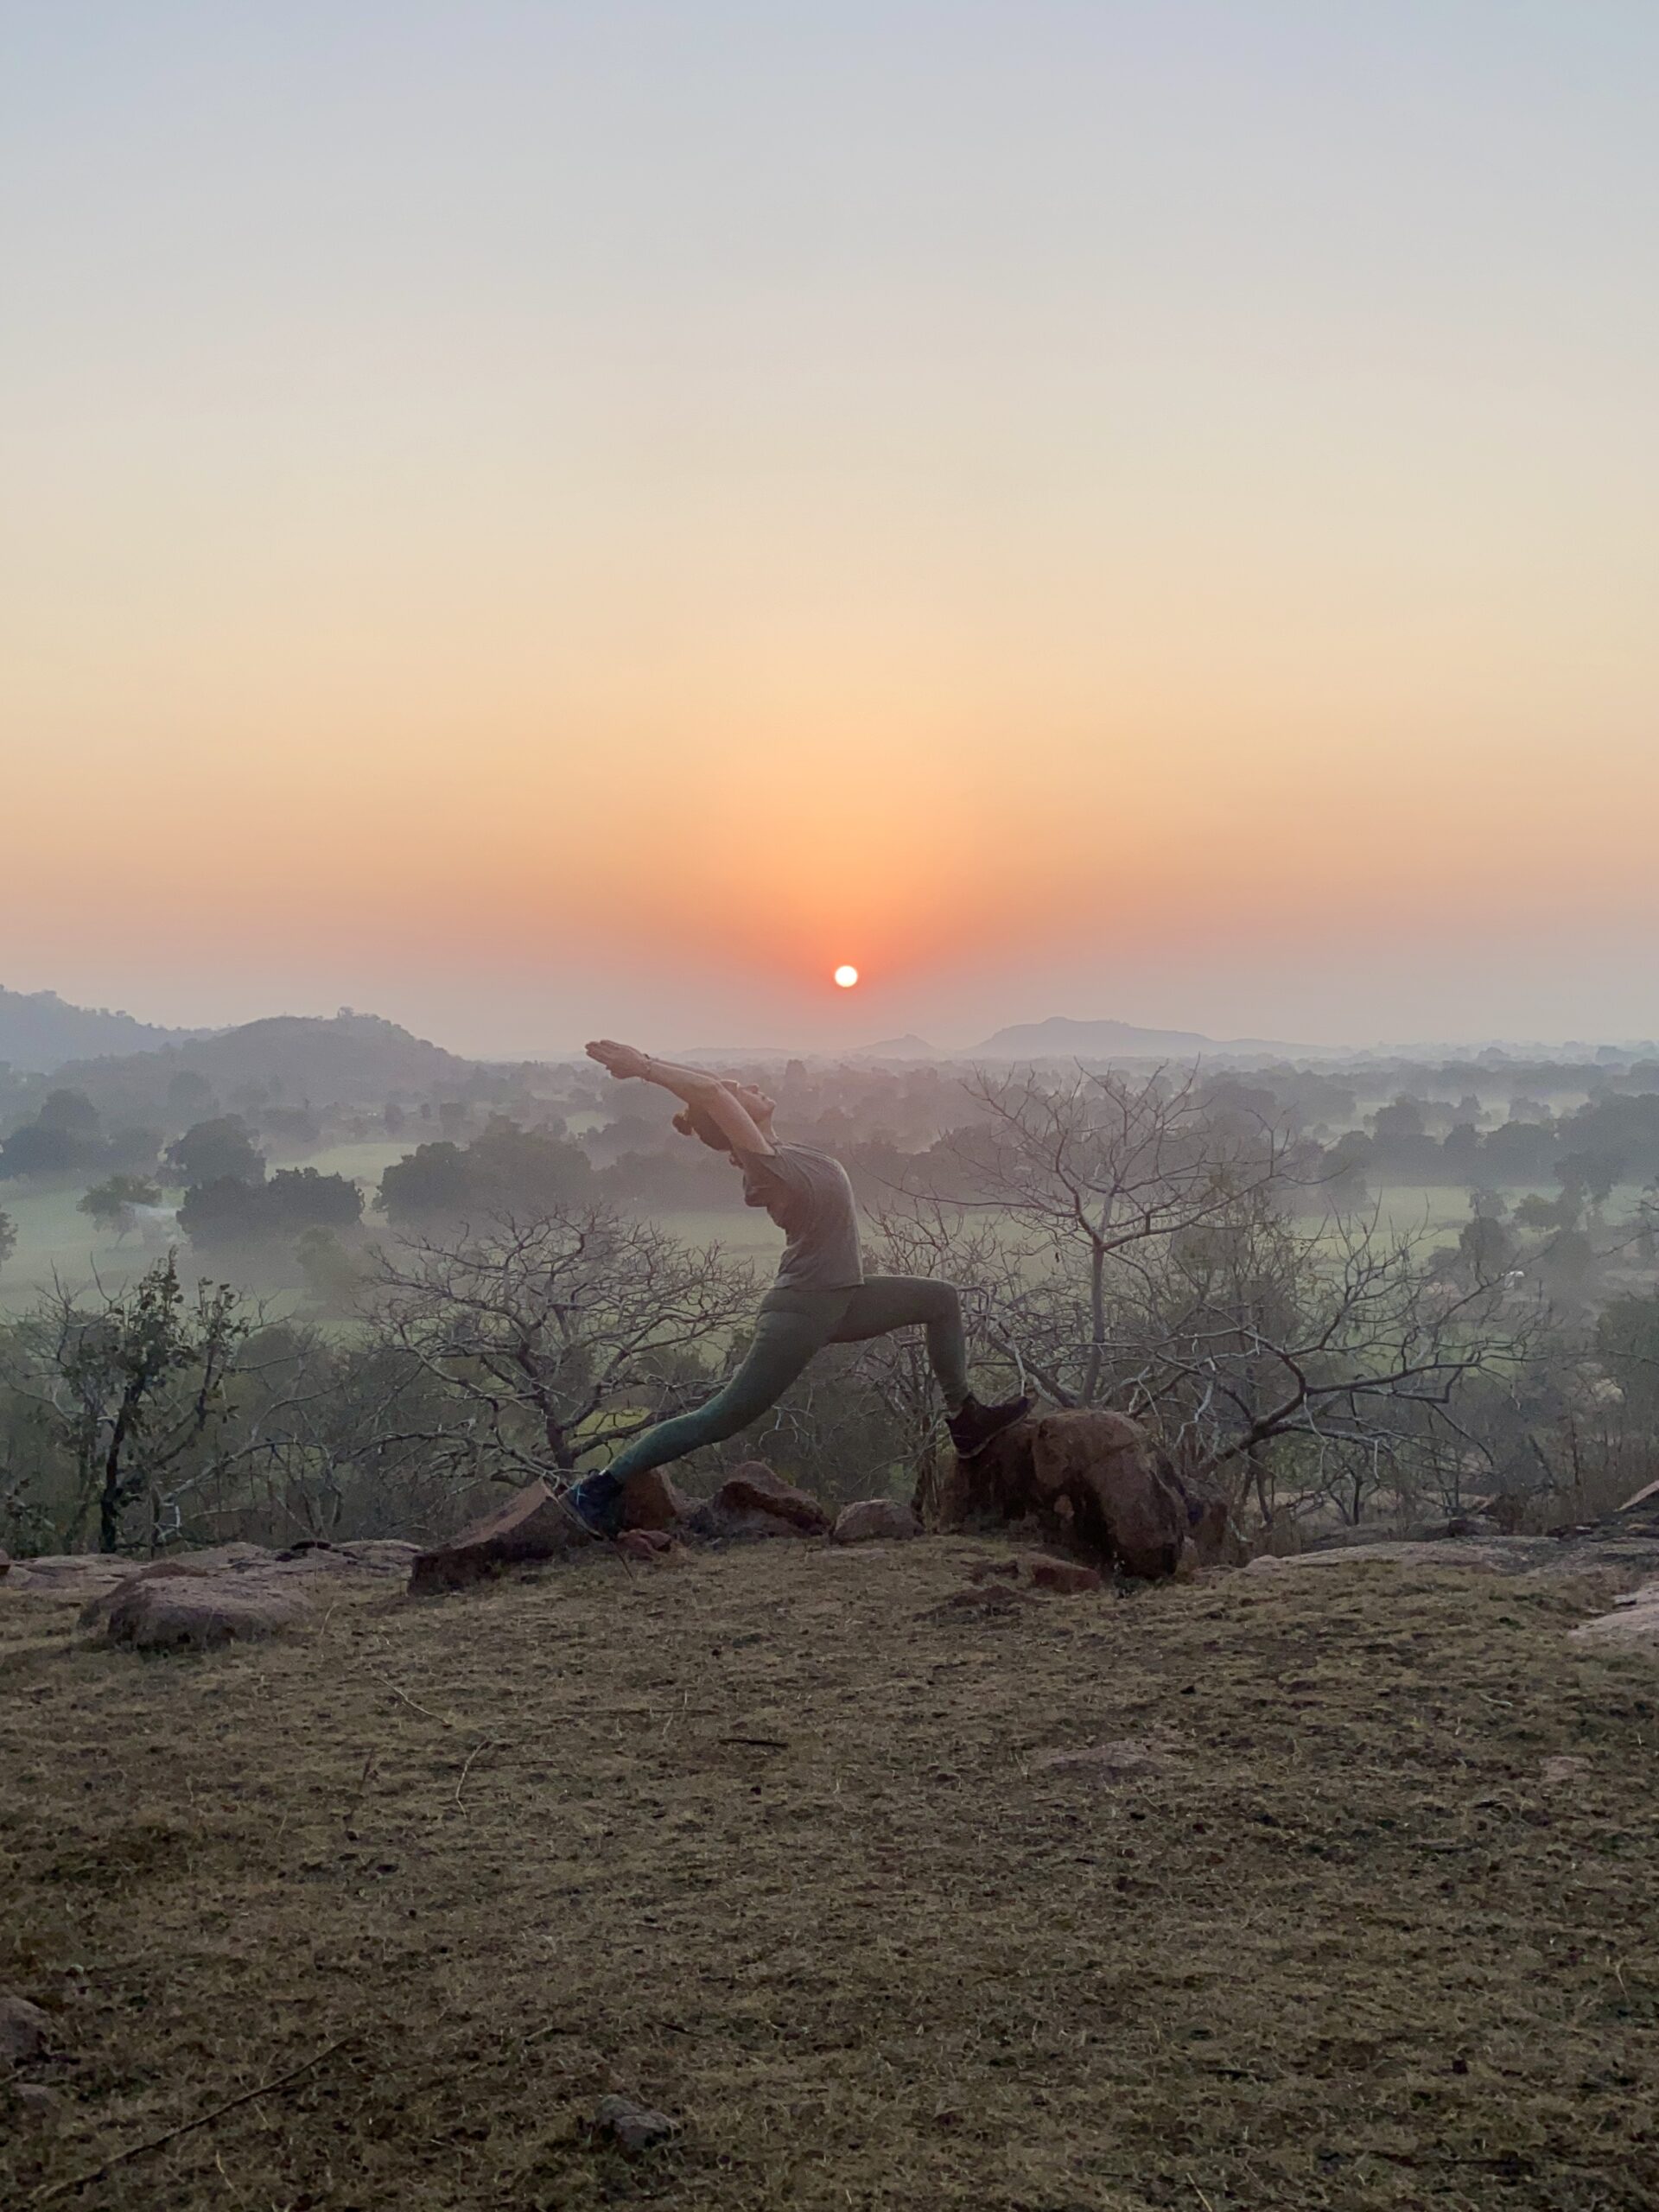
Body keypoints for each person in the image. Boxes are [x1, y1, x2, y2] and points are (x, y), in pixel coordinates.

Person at [564, 1039, 1029, 1535]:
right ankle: (597, 1488)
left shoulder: (781, 1153)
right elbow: (715, 1091)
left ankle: (965, 1419)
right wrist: (646, 1068)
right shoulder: (765, 1162)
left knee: (940, 1298)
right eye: (740, 1091)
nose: (748, 1086)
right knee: (718, 1419)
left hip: (843, 1295)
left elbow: (720, 1095)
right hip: (803, 1309)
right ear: (731, 1117)